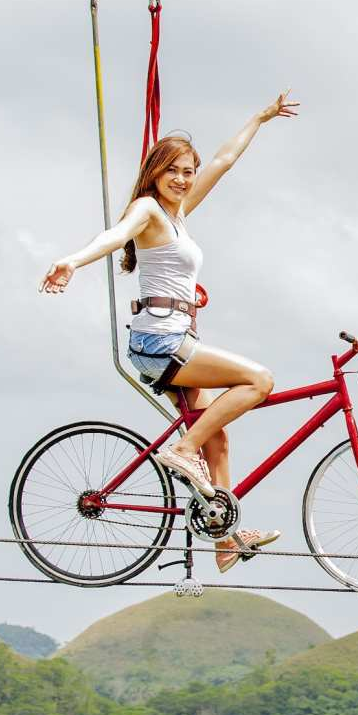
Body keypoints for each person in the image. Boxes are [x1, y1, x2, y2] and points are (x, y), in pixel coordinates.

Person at [40, 91, 297, 571]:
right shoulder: (149, 211)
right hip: (160, 343)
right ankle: (181, 450)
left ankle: (225, 542)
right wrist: (72, 261)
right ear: (155, 173)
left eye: (187, 171)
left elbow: (222, 160)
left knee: (217, 438)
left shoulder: (178, 214)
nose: (182, 179)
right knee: (259, 381)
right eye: (173, 170)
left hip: (178, 340)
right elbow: (115, 235)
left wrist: (259, 117)